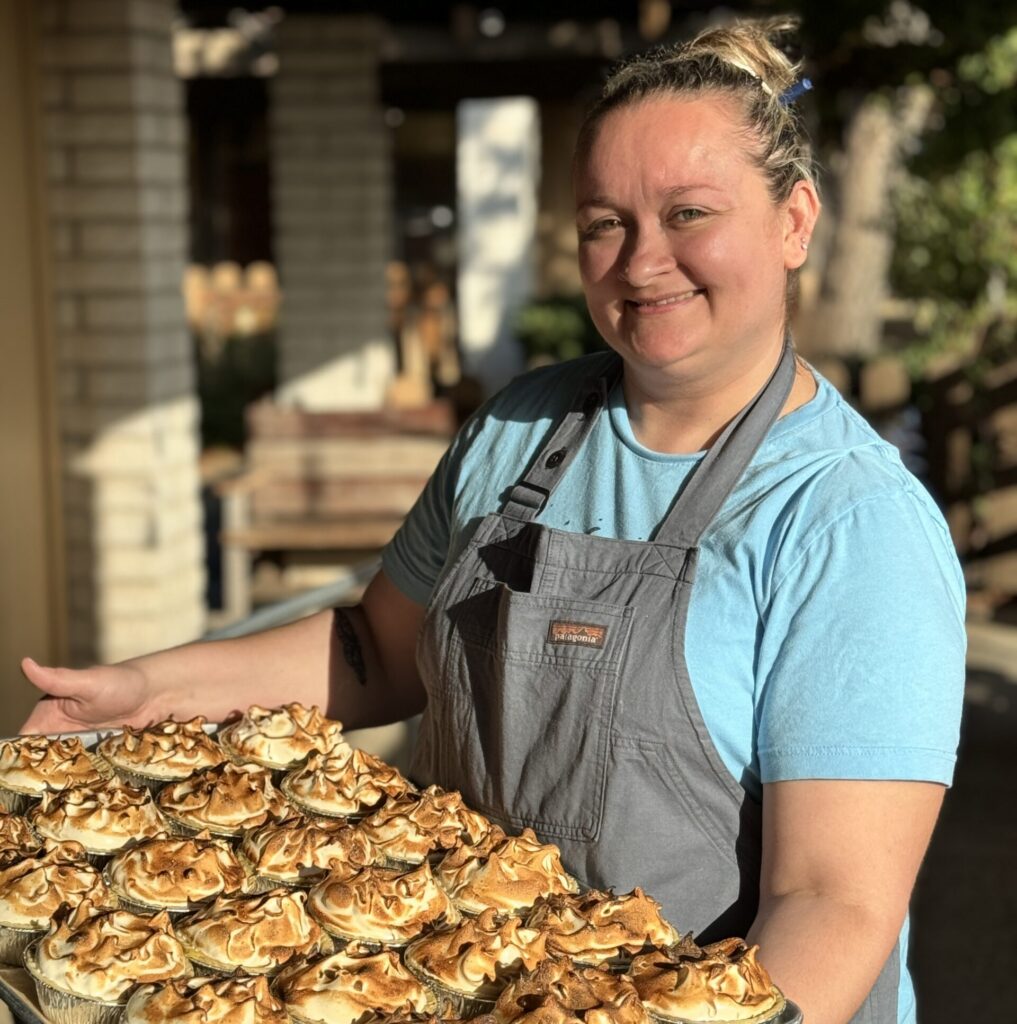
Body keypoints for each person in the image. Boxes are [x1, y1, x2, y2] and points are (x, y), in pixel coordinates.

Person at [19, 18, 964, 1024]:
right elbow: (375, 649)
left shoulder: (848, 523)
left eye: (689, 213)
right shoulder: (522, 428)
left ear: (795, 221)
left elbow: (832, 903)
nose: (643, 262)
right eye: (604, 223)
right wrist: (148, 691)